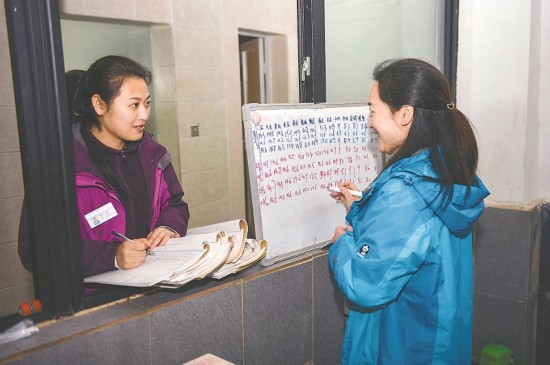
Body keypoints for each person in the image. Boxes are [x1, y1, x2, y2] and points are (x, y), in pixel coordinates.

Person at [329, 58, 490, 364]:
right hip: (436, 345)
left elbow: (365, 283)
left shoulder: (405, 191)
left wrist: (341, 245)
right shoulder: (446, 172)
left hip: (400, 348)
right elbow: (412, 243)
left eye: (372, 110)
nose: (369, 122)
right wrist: (361, 208)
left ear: (404, 114)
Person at [19, 55, 190, 277]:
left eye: (147, 103)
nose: (144, 114)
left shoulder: (152, 155)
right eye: (134, 105)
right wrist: (113, 256)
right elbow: (36, 250)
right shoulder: (60, 165)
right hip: (94, 300)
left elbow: (176, 204)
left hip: (154, 285)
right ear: (99, 104)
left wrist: (169, 226)